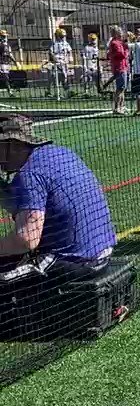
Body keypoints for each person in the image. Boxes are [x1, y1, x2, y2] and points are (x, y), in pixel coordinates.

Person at [0, 114, 116, 288]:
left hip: (76, 261)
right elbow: (22, 205)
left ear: (14, 145)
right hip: (101, 251)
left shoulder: (29, 175)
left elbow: (26, 240)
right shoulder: (59, 153)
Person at [106, 26, 129, 115]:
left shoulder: (120, 42)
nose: (122, 33)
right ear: (116, 33)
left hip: (124, 67)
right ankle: (116, 108)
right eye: (120, 32)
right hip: (119, 68)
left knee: (123, 89)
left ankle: (121, 106)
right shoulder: (115, 43)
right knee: (120, 88)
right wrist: (127, 49)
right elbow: (122, 55)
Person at [49, 27, 73, 97]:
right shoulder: (55, 44)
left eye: (64, 36)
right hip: (57, 64)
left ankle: (67, 92)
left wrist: (70, 59)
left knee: (65, 78)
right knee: (56, 78)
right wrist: (55, 60)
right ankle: (57, 93)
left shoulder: (66, 44)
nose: (63, 38)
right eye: (62, 36)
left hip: (64, 64)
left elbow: (69, 52)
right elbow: (51, 53)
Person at [0, 30, 18, 97]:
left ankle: (10, 91)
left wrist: (15, 62)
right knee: (6, 77)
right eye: (4, 36)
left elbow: (10, 54)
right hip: (1, 63)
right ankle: (10, 92)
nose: (5, 37)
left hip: (6, 63)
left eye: (5, 36)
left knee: (6, 78)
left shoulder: (8, 45)